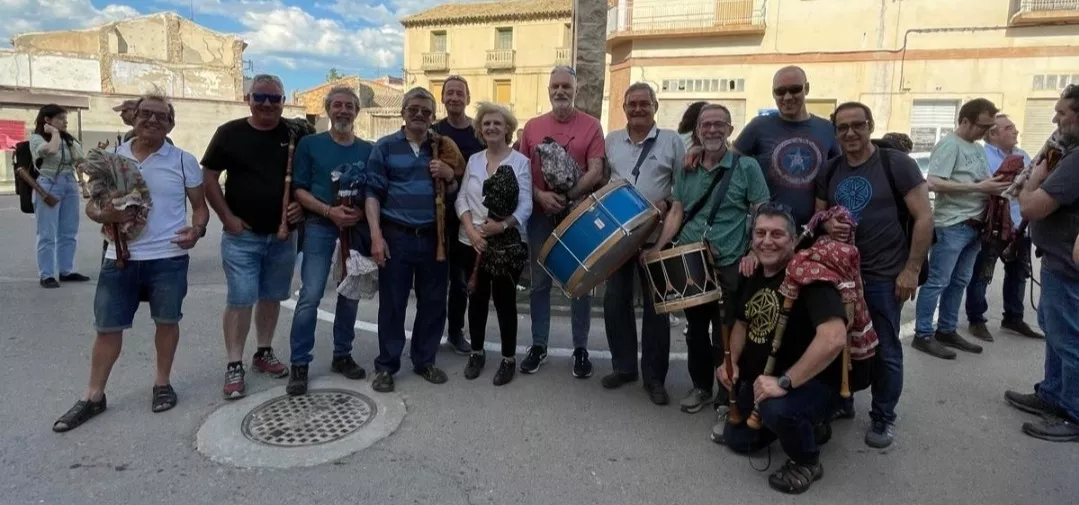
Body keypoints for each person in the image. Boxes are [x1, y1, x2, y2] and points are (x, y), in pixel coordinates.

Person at [52, 91, 209, 432]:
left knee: (167, 322)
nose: (152, 120)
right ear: (133, 117)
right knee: (107, 329)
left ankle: (162, 383)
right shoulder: (110, 157)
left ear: (170, 124)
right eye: (146, 113)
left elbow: (200, 208)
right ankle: (94, 395)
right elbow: (93, 205)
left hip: (168, 257)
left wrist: (196, 231)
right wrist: (102, 213)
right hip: (119, 256)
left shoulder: (184, 161)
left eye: (161, 116)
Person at [815, 102, 933, 448]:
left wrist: (910, 270)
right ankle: (843, 399)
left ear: (870, 125)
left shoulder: (896, 163)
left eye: (858, 125)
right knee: (839, 344)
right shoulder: (831, 169)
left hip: (883, 276)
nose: (850, 133)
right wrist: (827, 224)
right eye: (843, 127)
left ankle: (883, 416)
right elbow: (817, 217)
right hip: (841, 274)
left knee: (884, 349)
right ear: (835, 132)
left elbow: (925, 217)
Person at [646, 103, 769, 415]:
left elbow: (761, 211)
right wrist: (660, 247)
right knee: (696, 332)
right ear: (697, 130)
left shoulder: (747, 167)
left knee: (726, 332)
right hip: (691, 260)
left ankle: (725, 393)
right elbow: (677, 210)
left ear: (729, 129)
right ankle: (701, 386)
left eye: (719, 124)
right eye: (706, 125)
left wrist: (755, 251)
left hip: (729, 261)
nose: (712, 130)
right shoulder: (687, 167)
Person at [718, 203, 848, 494]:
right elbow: (741, 322)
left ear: (793, 240)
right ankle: (807, 426)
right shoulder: (752, 273)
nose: (767, 241)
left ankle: (807, 460)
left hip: (812, 382)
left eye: (777, 234)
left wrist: (784, 382)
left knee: (776, 409)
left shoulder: (810, 275)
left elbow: (834, 337)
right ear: (752, 239)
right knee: (738, 439)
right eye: (760, 233)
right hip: (764, 379)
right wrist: (733, 363)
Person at [201, 74, 306, 399]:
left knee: (272, 296)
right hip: (242, 236)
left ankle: (263, 351)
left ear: (283, 101)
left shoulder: (294, 135)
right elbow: (209, 177)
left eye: (275, 99)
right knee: (241, 298)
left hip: (282, 236)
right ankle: (235, 362)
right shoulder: (229, 134)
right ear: (249, 98)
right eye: (260, 97)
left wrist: (300, 208)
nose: (267, 104)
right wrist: (227, 218)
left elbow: (308, 177)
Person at [364, 87, 460, 393]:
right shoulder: (385, 147)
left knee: (433, 303)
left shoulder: (441, 146)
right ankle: (387, 366)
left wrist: (449, 176)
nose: (419, 115)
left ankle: (424, 360)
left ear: (433, 117)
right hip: (397, 237)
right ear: (403, 112)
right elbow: (372, 195)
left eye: (426, 111)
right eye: (413, 109)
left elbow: (456, 192)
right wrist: (376, 236)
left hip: (435, 239)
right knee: (393, 304)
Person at [517, 65, 607, 377]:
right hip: (541, 215)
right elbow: (521, 170)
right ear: (548, 90)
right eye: (555, 86)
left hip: (577, 215)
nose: (560, 91)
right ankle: (539, 344)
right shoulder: (532, 127)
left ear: (575, 89)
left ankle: (580, 348)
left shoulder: (592, 126)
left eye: (566, 86)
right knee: (539, 283)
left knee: (579, 283)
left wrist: (569, 198)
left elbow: (595, 169)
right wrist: (540, 195)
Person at [285, 86, 372, 395]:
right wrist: (328, 211)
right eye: (338, 105)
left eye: (350, 106)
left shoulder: (367, 149)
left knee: (350, 294)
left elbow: (373, 191)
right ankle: (299, 363)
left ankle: (342, 355)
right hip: (321, 227)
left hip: (354, 229)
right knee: (310, 295)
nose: (343, 110)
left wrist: (358, 213)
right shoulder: (310, 145)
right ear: (328, 109)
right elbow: (299, 190)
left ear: (357, 112)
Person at [601, 82, 684, 405]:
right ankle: (623, 367)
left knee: (657, 310)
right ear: (624, 108)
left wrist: (666, 201)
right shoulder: (611, 141)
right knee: (614, 302)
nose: (637, 109)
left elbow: (683, 186)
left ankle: (654, 378)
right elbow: (605, 180)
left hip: (656, 237)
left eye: (644, 104)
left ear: (655, 106)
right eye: (632, 104)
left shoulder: (671, 141)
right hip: (618, 238)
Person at [1006, 84, 1079, 442]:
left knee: (1069, 340)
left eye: (1062, 112)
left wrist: (1031, 182)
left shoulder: (1077, 159)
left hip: (1069, 267)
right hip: (1058, 260)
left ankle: (1074, 414)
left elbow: (1033, 206)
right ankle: (1052, 395)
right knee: (1056, 333)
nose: (1055, 119)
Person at [912, 98, 1011, 360]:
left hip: (976, 225)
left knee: (959, 282)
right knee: (938, 281)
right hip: (952, 225)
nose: (987, 132)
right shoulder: (949, 145)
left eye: (991, 127)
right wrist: (980, 187)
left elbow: (976, 178)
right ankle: (923, 334)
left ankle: (946, 329)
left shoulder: (977, 148)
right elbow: (932, 182)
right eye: (983, 126)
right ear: (965, 120)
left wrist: (996, 183)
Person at [455, 102, 532, 386]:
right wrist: (471, 231)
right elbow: (461, 198)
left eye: (497, 123)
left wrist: (500, 225)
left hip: (507, 244)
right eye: (486, 123)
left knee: (504, 302)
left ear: (507, 129)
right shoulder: (474, 161)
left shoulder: (520, 162)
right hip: (472, 242)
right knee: (475, 301)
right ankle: (477, 352)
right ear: (480, 129)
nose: (491, 128)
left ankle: (508, 358)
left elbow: (526, 205)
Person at [965, 114, 1043, 341]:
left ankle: (1014, 317)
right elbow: (989, 185)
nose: (1015, 131)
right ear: (993, 133)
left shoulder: (1022, 155)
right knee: (983, 273)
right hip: (995, 224)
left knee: (1019, 273)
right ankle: (976, 319)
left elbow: (1034, 182)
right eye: (1009, 128)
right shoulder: (982, 155)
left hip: (1020, 223)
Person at [733, 66, 841, 228]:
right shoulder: (758, 126)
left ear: (807, 89)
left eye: (795, 89)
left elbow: (840, 173)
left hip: (812, 232)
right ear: (773, 93)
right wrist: (699, 151)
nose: (787, 97)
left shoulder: (827, 129)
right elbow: (727, 162)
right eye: (780, 91)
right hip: (769, 233)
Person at [435, 75, 485, 355]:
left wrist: (453, 174)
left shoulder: (478, 133)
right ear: (443, 98)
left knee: (459, 280)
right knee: (434, 280)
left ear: (467, 97)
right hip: (438, 217)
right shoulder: (433, 130)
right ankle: (430, 331)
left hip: (468, 216)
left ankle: (456, 331)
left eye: (459, 93)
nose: (454, 97)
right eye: (449, 93)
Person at [28, 104, 92, 288]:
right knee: (47, 232)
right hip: (48, 184)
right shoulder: (37, 138)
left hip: (69, 184)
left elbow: (80, 161)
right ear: (47, 120)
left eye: (65, 118)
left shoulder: (69, 140)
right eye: (60, 119)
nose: (65, 122)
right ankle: (47, 274)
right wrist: (55, 134)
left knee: (69, 231)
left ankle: (66, 270)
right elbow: (50, 150)